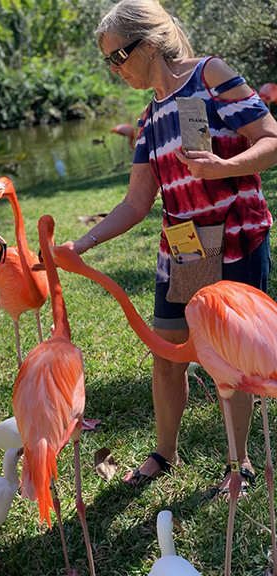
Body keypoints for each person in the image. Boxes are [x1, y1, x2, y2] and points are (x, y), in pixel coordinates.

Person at [63, 0, 277, 495]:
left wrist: (222, 168)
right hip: (186, 245)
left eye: (118, 57)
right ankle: (165, 450)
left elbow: (269, 137)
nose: (114, 70)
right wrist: (83, 244)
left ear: (150, 44)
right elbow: (137, 202)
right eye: (108, 61)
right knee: (167, 350)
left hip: (236, 236)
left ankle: (238, 461)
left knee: (233, 359)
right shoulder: (151, 116)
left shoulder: (210, 76)